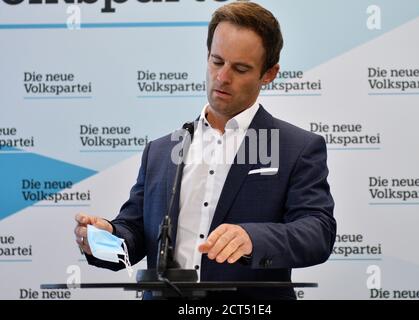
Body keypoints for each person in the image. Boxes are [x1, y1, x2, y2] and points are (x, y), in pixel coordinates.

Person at [74, 1, 336, 300]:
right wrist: (107, 235)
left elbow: (318, 232)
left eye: (240, 68)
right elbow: (135, 232)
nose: (223, 77)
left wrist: (253, 237)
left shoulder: (297, 148)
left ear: (269, 73)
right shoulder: (161, 150)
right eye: (217, 61)